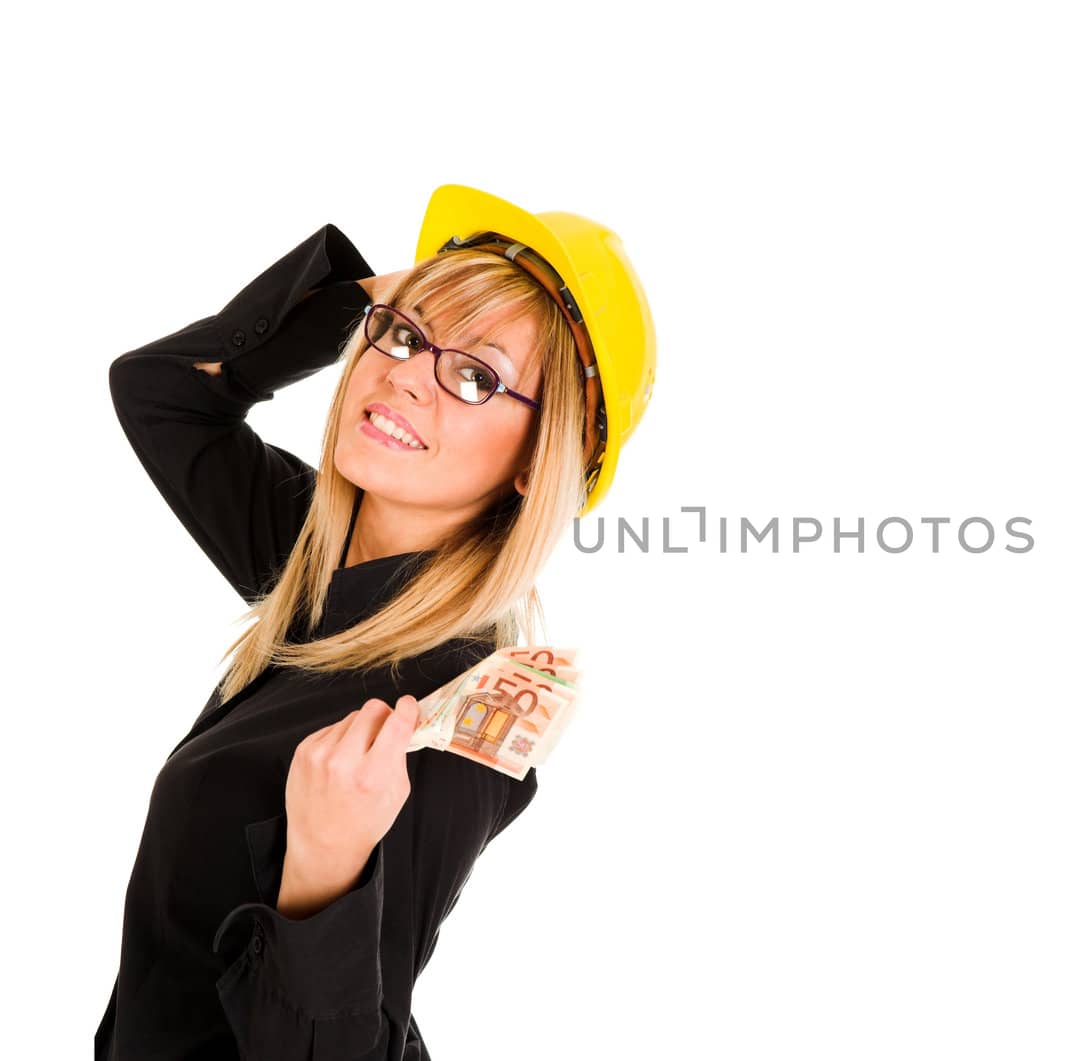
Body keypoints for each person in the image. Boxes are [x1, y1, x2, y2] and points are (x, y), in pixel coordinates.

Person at [94, 185, 656, 1059]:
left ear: (532, 466)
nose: (404, 374)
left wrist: (321, 877)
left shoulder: (448, 725)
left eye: (475, 376)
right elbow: (162, 390)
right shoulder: (311, 558)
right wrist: (362, 302)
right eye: (405, 335)